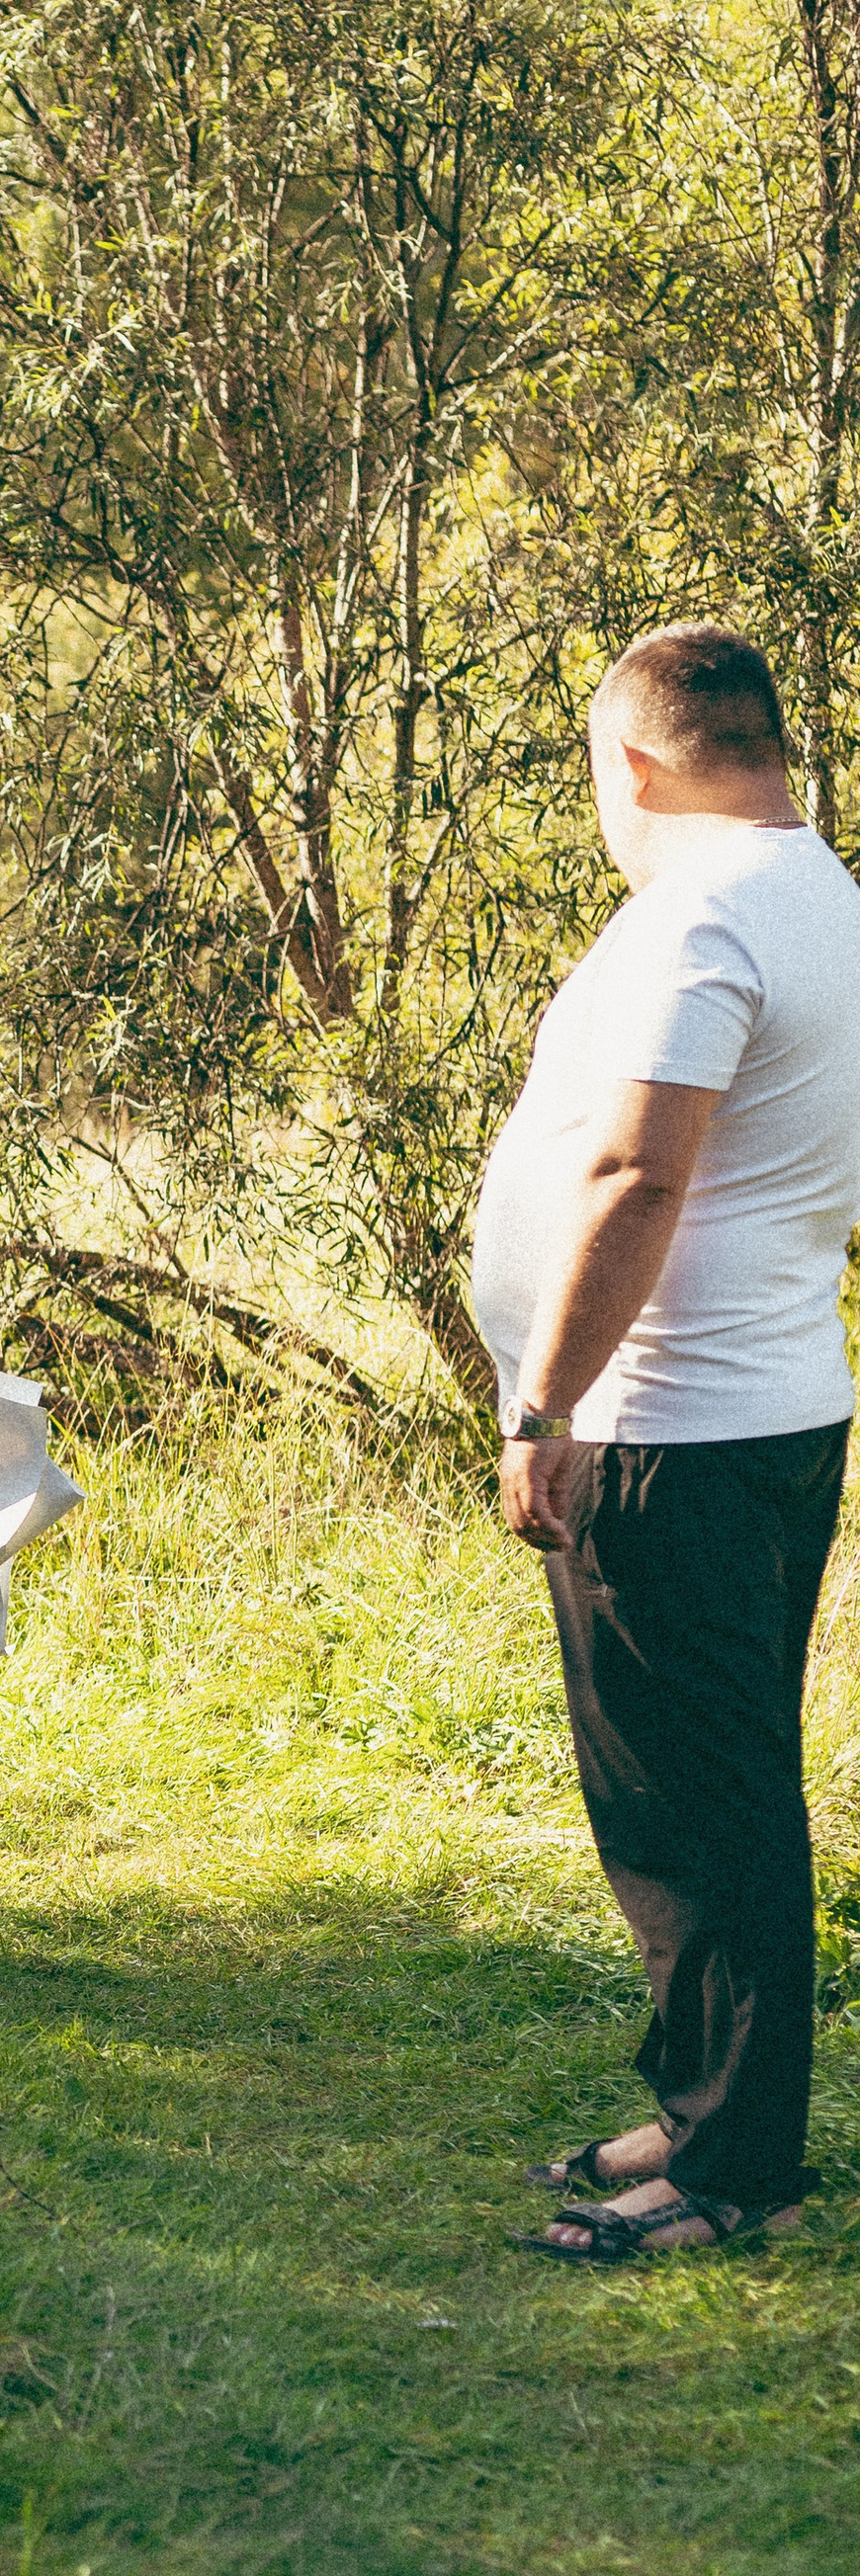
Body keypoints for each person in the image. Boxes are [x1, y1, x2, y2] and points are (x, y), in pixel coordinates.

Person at [473, 623, 860, 2260]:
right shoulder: (825, 897)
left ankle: (732, 2168)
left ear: (633, 761)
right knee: (714, 1786)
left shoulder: (703, 913)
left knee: (692, 1814)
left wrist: (546, 1404)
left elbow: (641, 1175)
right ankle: (705, 2102)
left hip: (673, 1429)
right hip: (768, 1409)